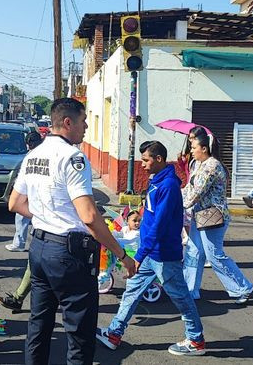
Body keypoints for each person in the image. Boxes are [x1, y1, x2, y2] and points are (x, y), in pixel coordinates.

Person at [9, 98, 136, 365]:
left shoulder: (33, 156)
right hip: (69, 254)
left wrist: (47, 216)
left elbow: (16, 203)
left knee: (39, 325)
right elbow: (89, 216)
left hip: (40, 248)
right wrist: (122, 255)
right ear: (67, 122)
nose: (87, 126)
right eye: (83, 120)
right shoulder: (73, 157)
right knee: (79, 334)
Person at [97, 141, 206, 356]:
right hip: (150, 253)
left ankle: (196, 340)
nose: (143, 164)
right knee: (132, 292)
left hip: (164, 254)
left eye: (146, 160)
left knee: (181, 297)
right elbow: (151, 217)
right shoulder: (156, 181)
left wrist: (139, 255)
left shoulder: (168, 187)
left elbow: (159, 225)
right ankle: (114, 333)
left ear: (159, 159)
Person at [182, 132, 253, 303]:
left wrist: (174, 203)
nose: (191, 150)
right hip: (199, 215)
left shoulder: (211, 166)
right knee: (193, 251)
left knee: (214, 255)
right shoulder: (198, 164)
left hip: (213, 217)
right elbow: (188, 188)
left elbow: (195, 194)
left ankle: (243, 287)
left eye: (194, 147)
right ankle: (189, 290)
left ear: (204, 148)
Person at [6, 132, 45, 252]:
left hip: (29, 191)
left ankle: (19, 243)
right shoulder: (47, 153)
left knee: (22, 218)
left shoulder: (29, 157)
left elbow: (23, 176)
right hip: (42, 191)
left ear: (30, 144)